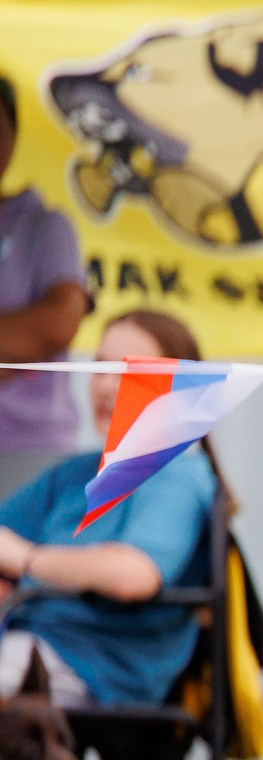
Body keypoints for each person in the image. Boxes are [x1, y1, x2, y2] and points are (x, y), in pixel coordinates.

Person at [0, 309, 218, 708]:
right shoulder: (74, 473)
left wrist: (27, 559)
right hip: (25, 644)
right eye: (100, 367)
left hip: (92, 669)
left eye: (130, 372)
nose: (106, 385)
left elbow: (133, 575)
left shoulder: (177, 478)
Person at [0, 75, 92, 496]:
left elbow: (56, 326)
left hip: (29, 448)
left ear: (13, 137)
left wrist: (32, 336)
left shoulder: (44, 226)